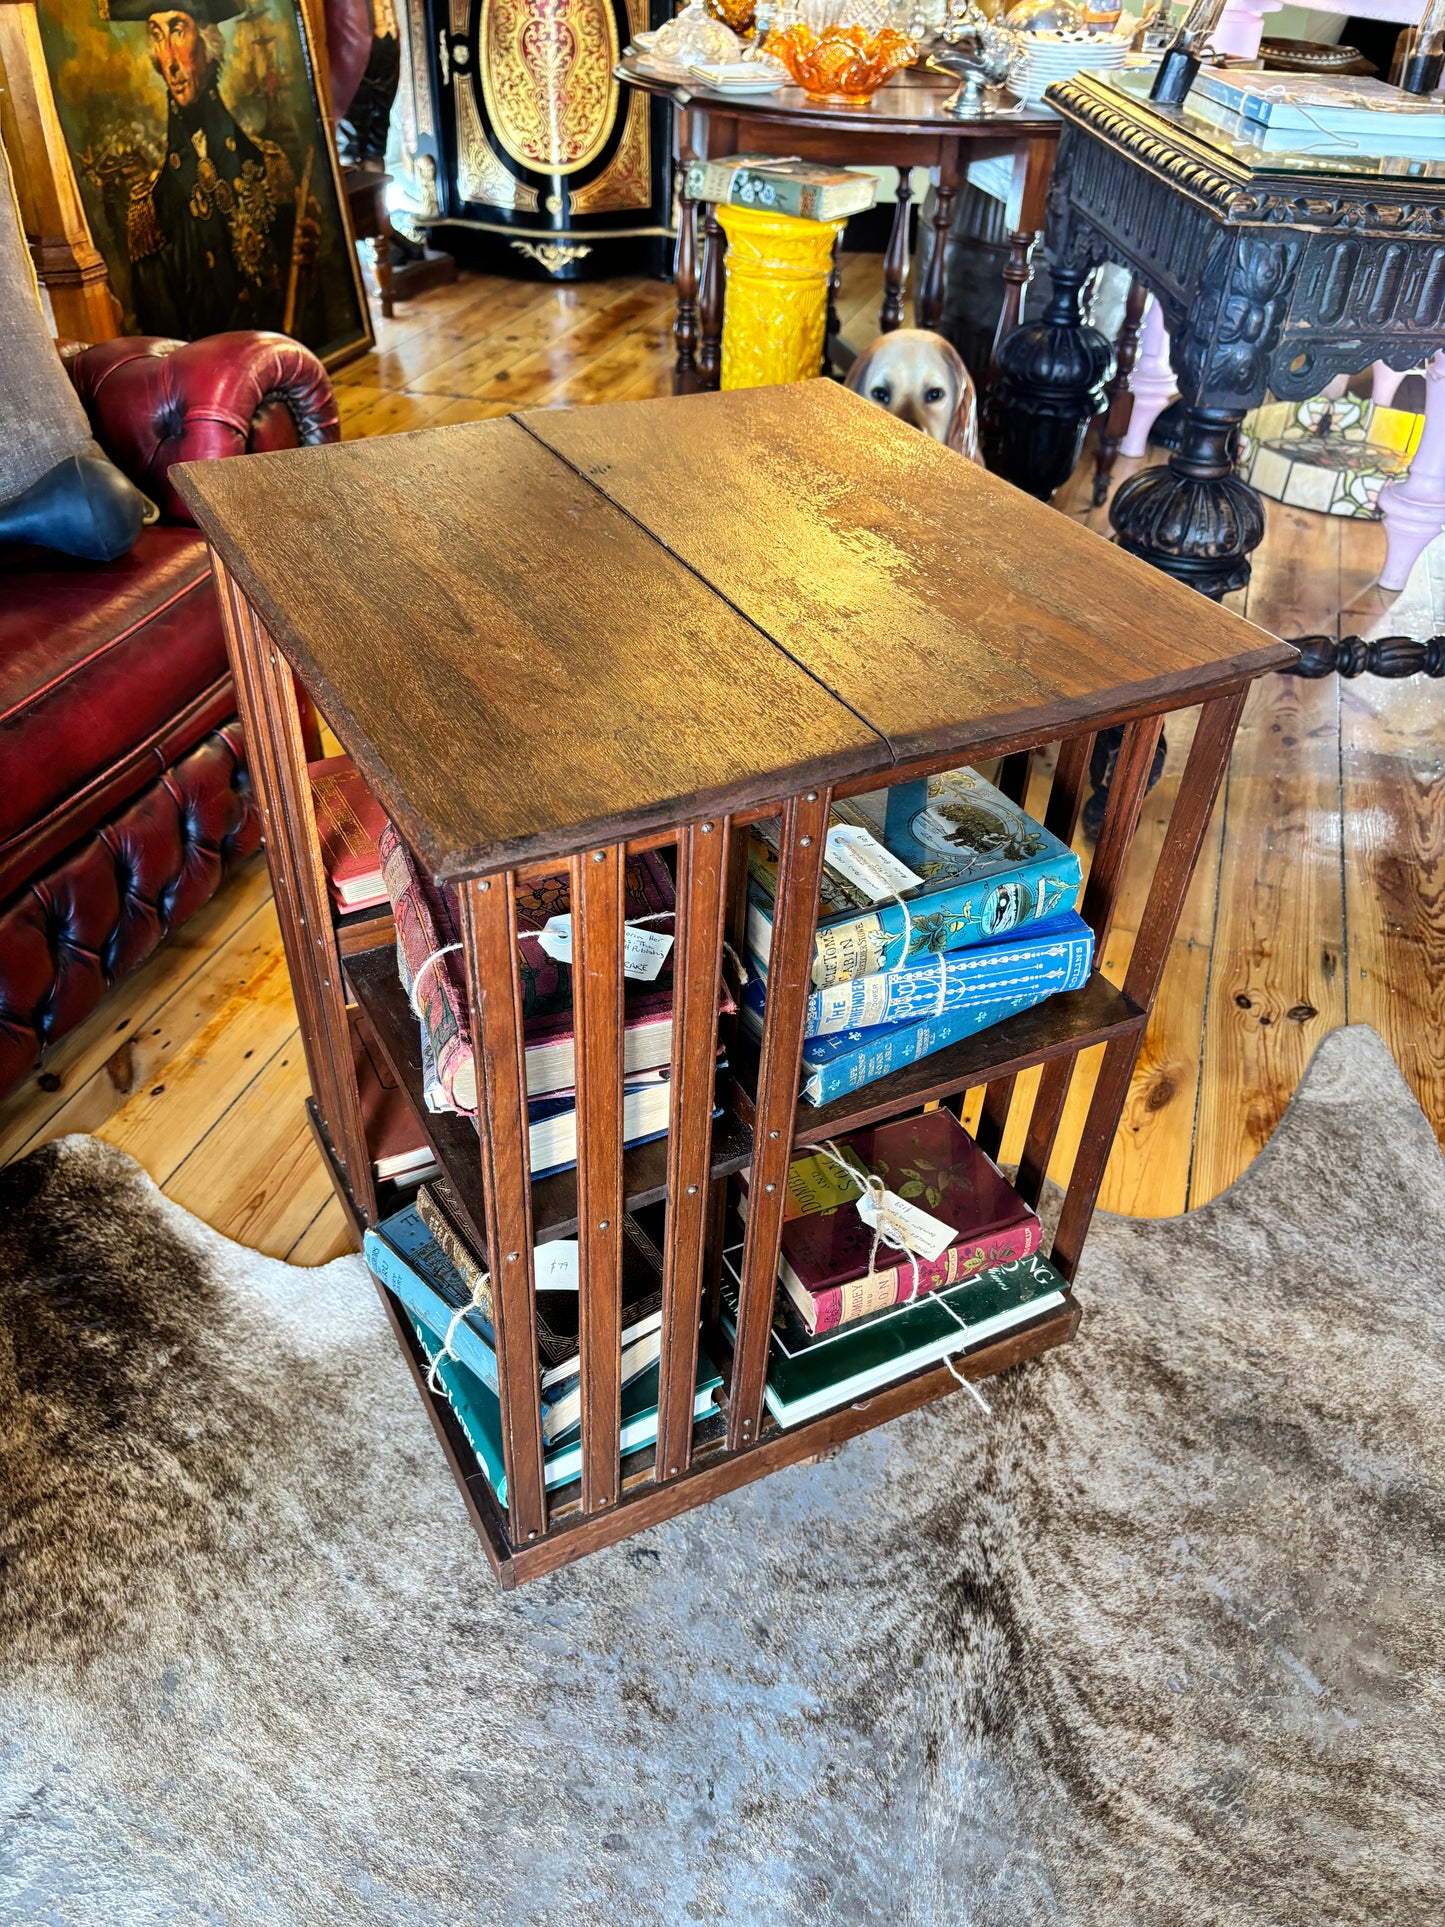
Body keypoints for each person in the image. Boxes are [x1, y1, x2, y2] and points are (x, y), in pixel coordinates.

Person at [107, 0, 317, 338]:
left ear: (209, 44)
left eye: (177, 31)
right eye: (157, 36)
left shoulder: (267, 163)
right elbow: (163, 343)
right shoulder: (152, 204)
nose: (170, 60)